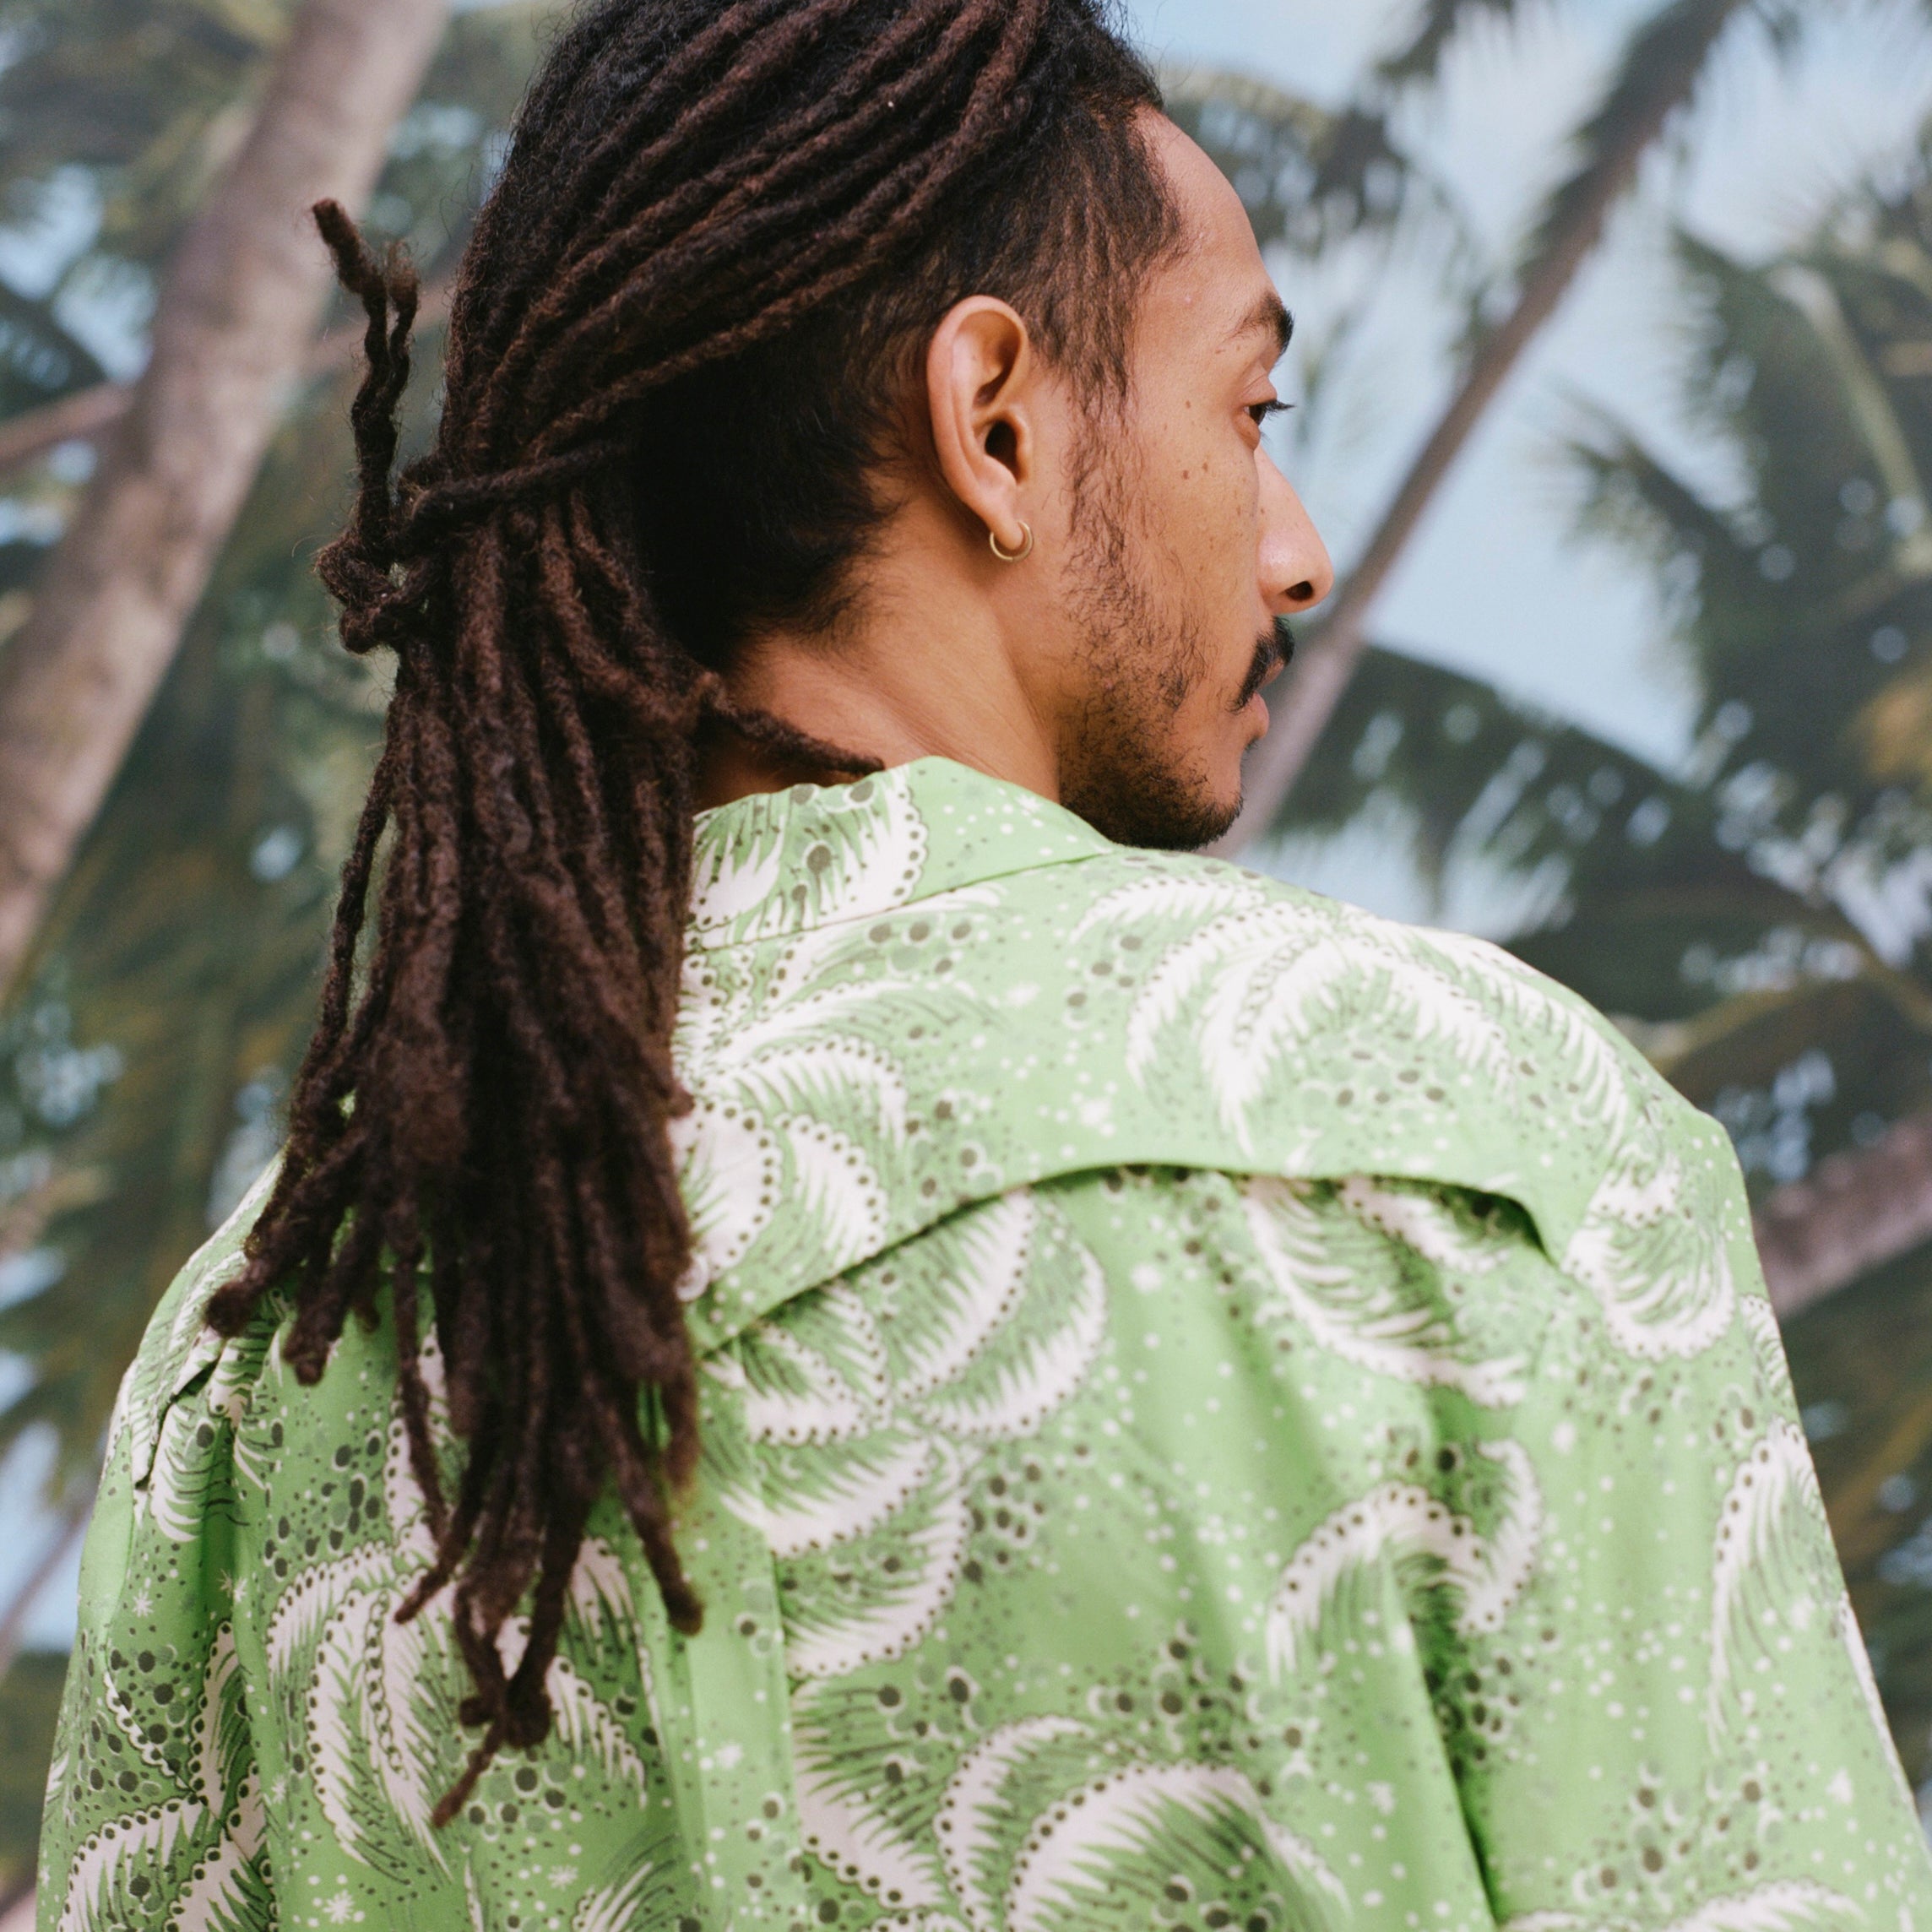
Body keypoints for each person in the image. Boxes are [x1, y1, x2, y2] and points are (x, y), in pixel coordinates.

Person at [37, 0, 1932, 1924]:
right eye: (1248, 412)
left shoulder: (268, 1364)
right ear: (995, 418)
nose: (1299, 552)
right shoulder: (1463, 1138)